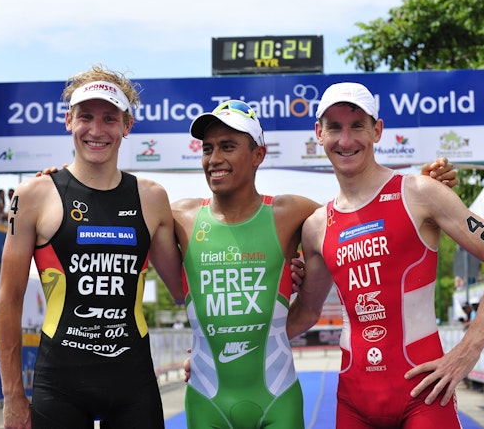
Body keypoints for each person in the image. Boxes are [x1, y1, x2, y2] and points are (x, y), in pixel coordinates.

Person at [173, 99, 458, 428]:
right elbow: (177, 289)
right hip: (210, 394)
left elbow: (362, 214)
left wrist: (421, 194)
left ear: (258, 155)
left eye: (227, 146)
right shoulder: (180, 217)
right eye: (207, 148)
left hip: (279, 396)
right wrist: (211, 352)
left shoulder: (295, 213)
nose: (215, 158)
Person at [287, 82, 484, 428]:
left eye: (357, 126)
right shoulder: (316, 227)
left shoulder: (421, 192)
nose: (346, 140)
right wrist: (225, 345)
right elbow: (306, 313)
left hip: (425, 397)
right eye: (335, 127)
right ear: (319, 134)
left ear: (377, 131)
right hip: (353, 402)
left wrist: (467, 351)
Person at [0, 64, 184, 429]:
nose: (96, 131)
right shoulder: (33, 195)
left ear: (127, 126)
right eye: (86, 117)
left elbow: (182, 290)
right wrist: (13, 396)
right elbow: (9, 299)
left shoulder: (152, 198)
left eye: (109, 119)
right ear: (69, 121)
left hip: (133, 384)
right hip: (60, 386)